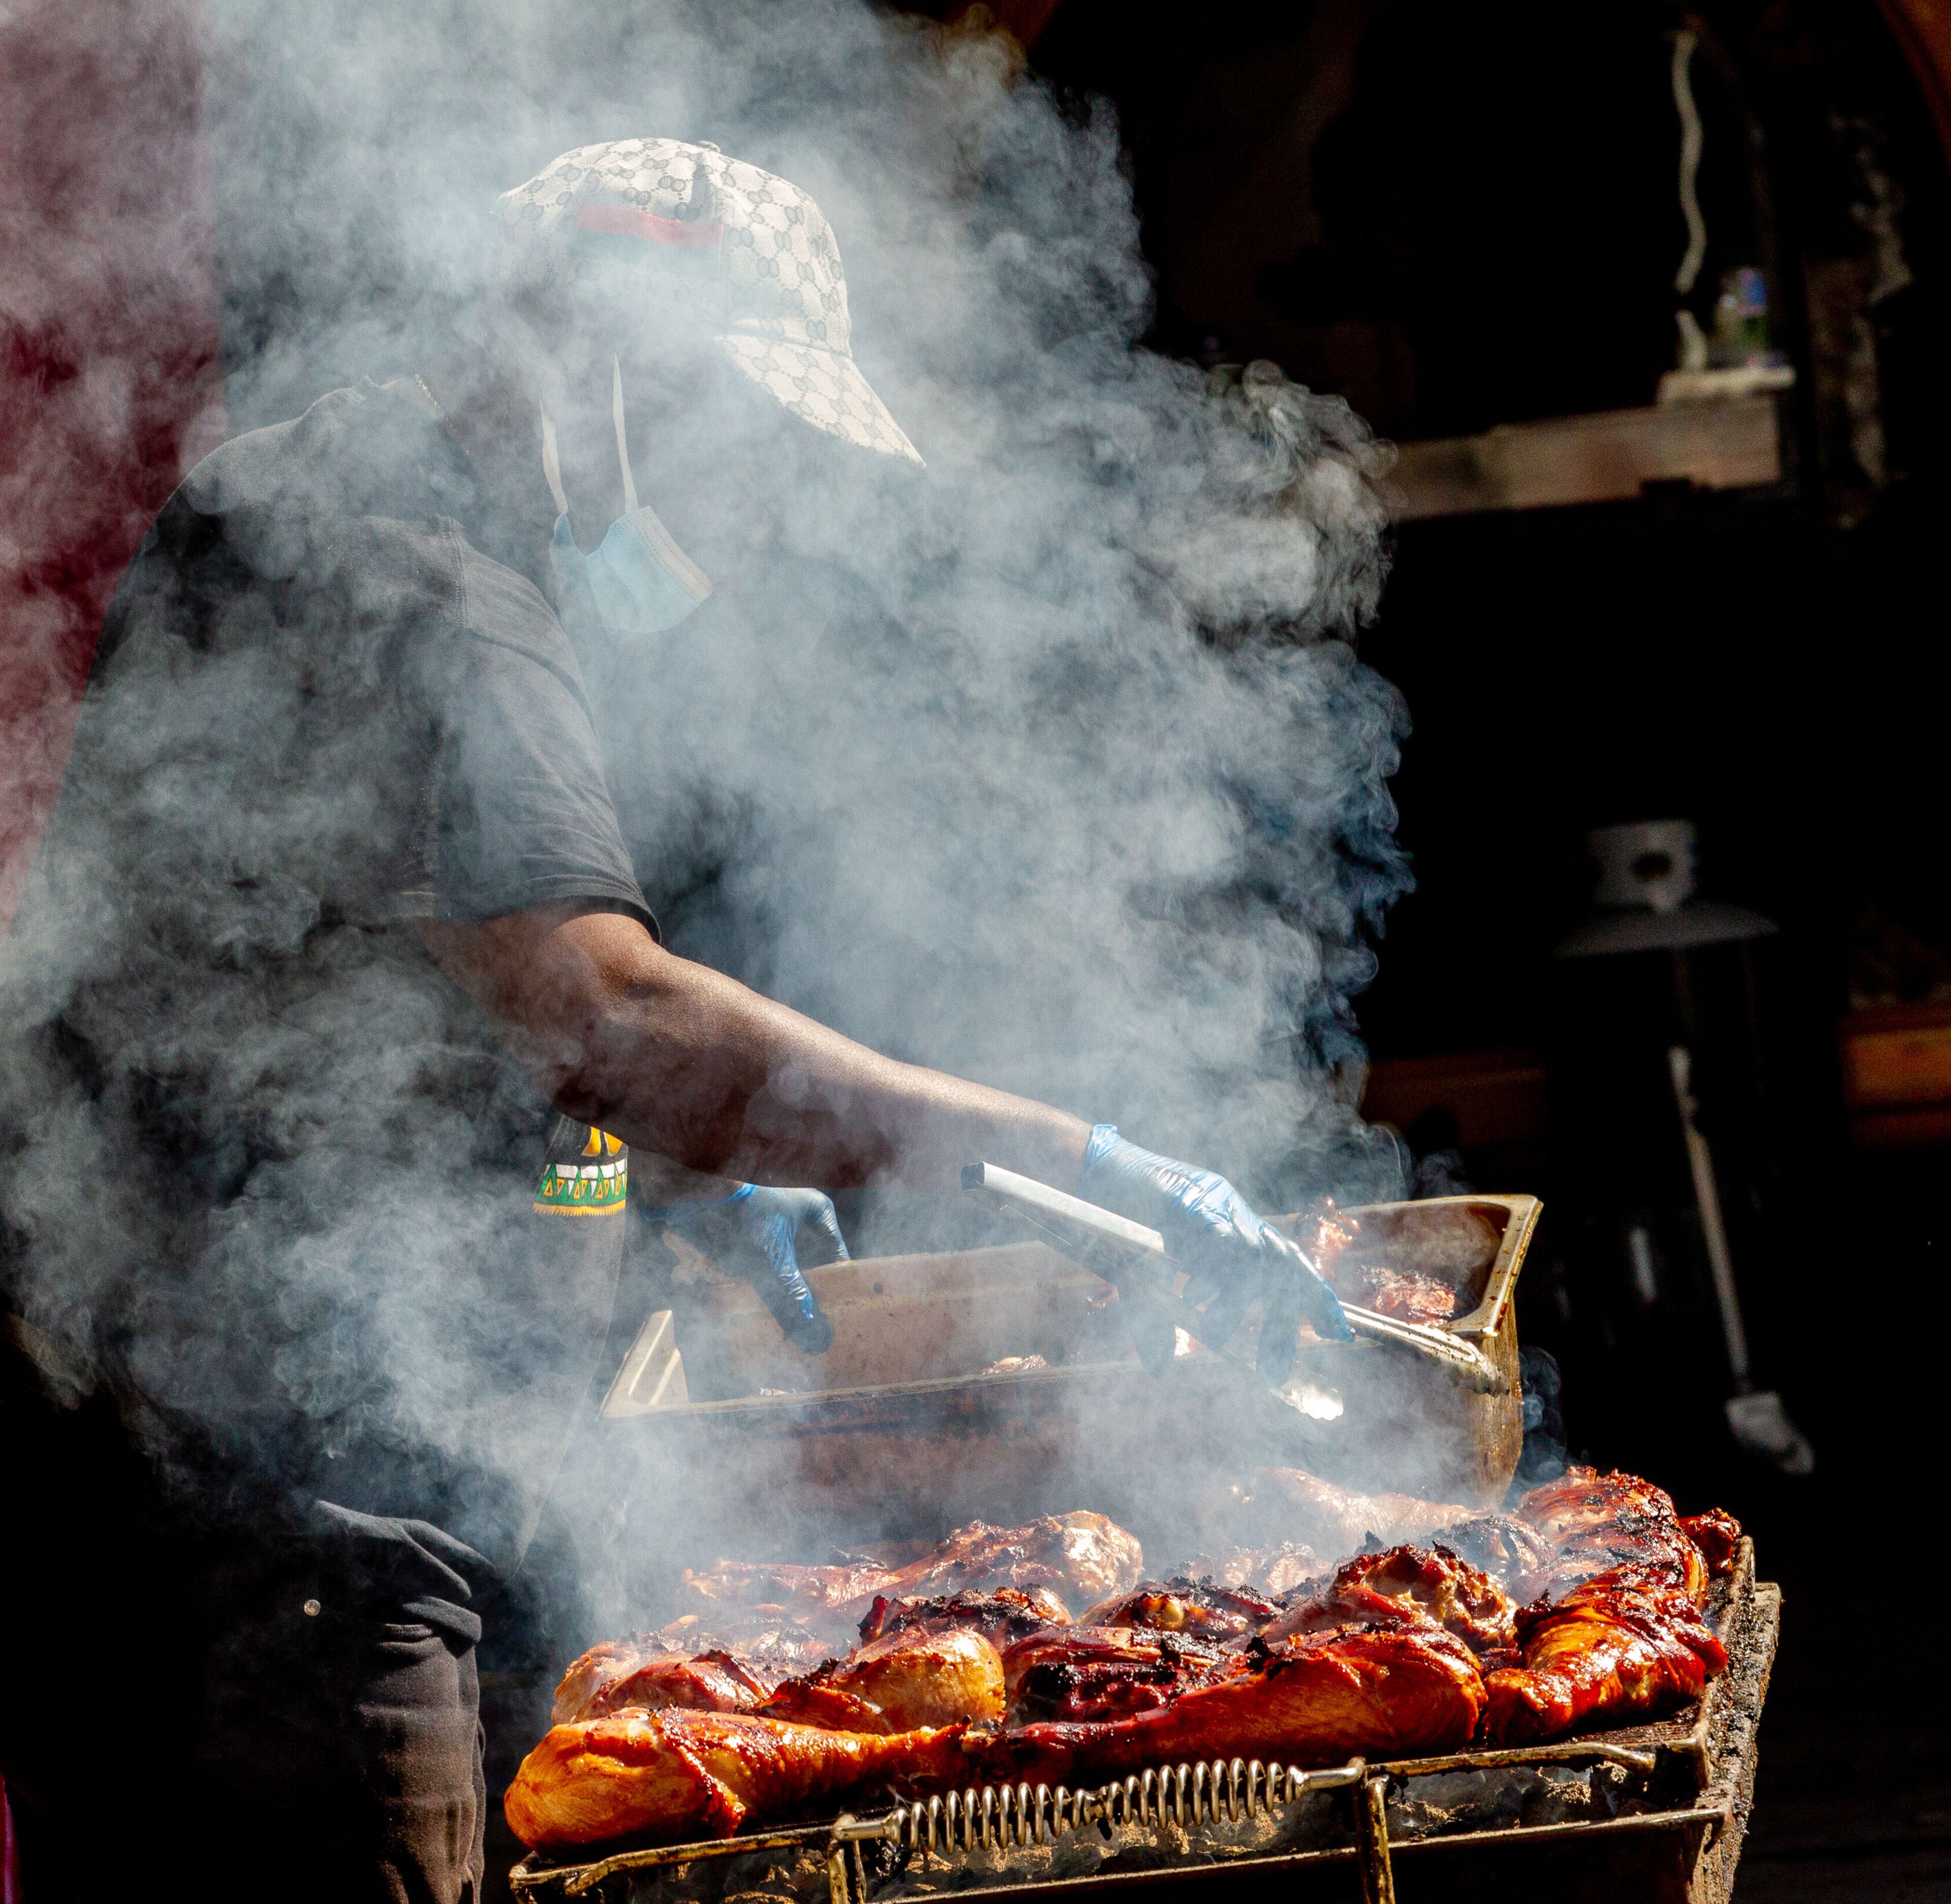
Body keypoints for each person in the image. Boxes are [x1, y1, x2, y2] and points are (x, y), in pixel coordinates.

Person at [0, 138, 1346, 1904]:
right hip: (256, 1501)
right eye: (753, 435)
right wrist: (1061, 1155)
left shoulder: (411, 529)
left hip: (284, 1461)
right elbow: (605, 1014)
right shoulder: (410, 569)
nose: (769, 507)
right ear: (605, 350)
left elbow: (420, 1063)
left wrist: (626, 1187)